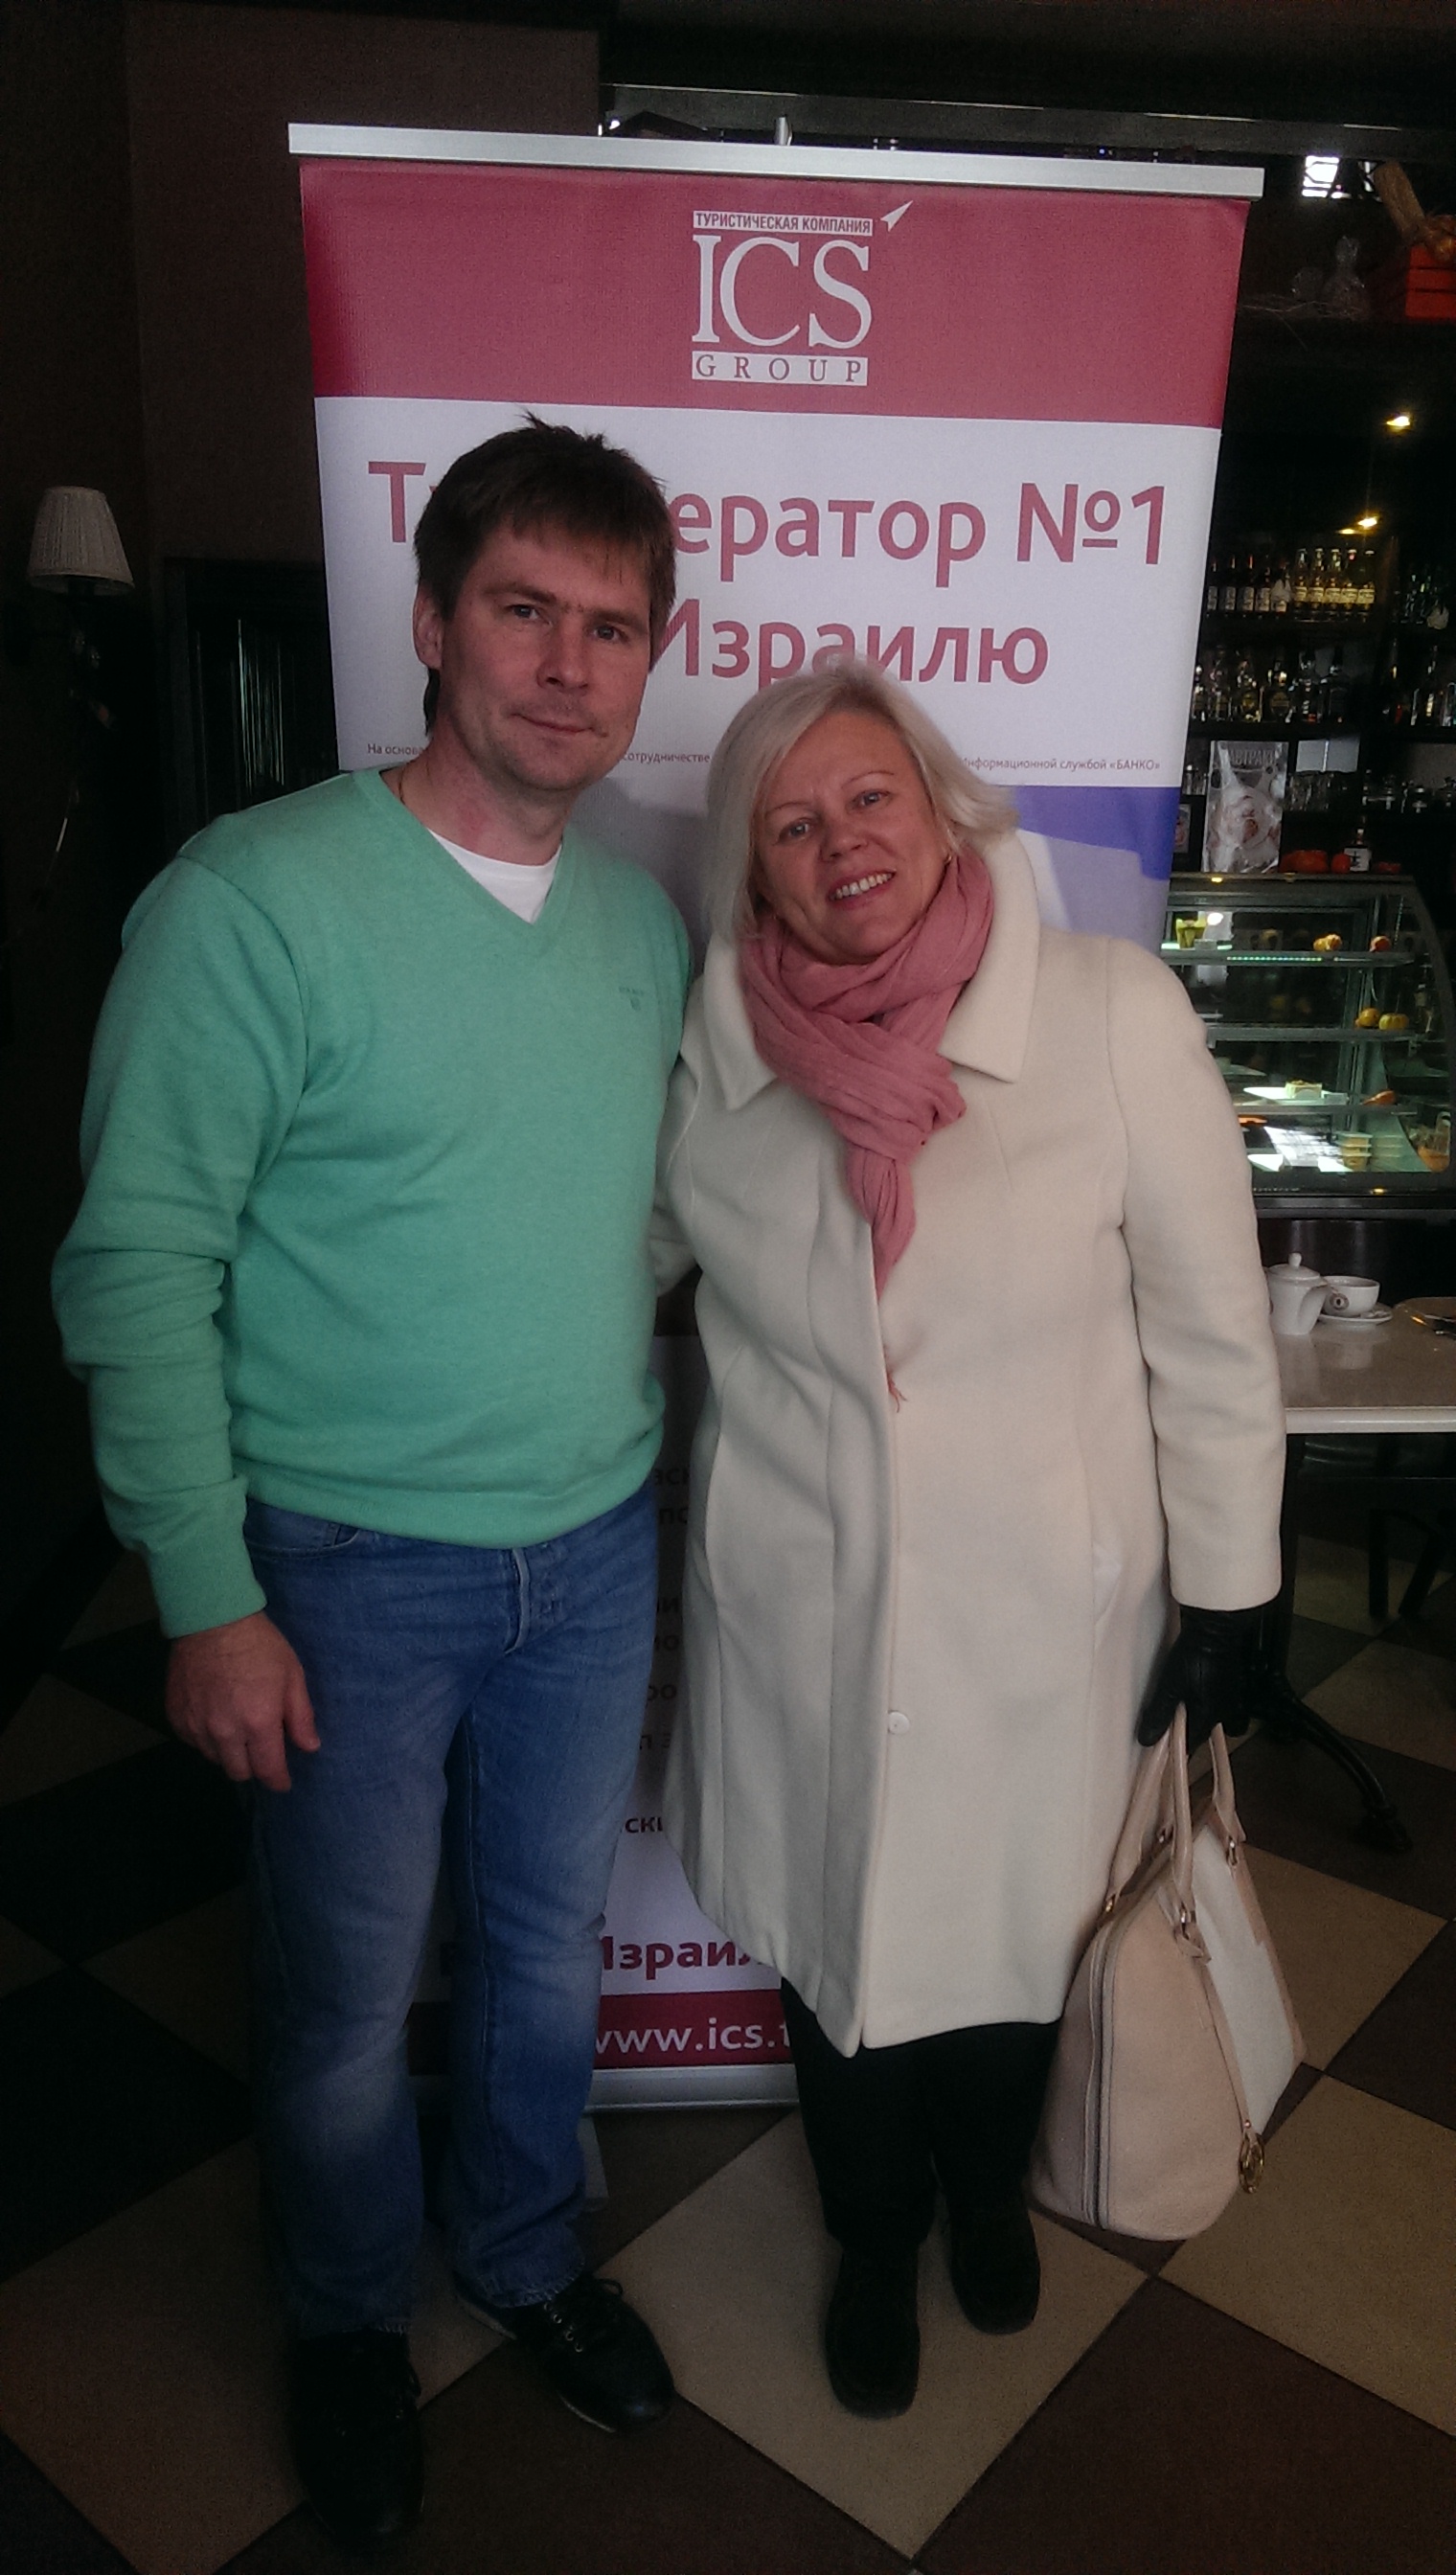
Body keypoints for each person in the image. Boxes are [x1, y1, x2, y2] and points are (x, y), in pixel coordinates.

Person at [54, 420, 691, 2549]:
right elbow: (138, 1266)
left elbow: (626, 1219)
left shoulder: (638, 931)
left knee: (542, 1961)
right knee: (340, 2003)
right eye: (522, 609)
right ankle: (345, 2321)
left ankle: (518, 2250)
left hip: (590, 1546)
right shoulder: (250, 904)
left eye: (613, 627)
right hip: (338, 1567)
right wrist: (205, 1591)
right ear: (429, 621)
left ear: (653, 654)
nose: (567, 665)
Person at [649, 663, 1285, 2419]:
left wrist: (1233, 1587)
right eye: (791, 824)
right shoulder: (716, 1055)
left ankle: (987, 2197)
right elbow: (614, 1264)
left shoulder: (1108, 1011)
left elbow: (1212, 1330)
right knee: (836, 1962)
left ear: (939, 810)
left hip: (1041, 1626)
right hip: (801, 1615)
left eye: (870, 797)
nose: (839, 842)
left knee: (1019, 1951)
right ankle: (874, 2237)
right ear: (753, 870)